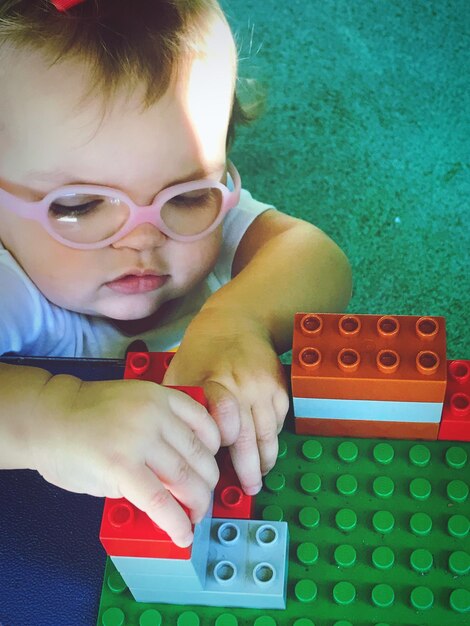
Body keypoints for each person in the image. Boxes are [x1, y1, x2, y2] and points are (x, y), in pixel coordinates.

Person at [0, 0, 351, 547]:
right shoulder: (13, 283)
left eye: (186, 194)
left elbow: (315, 256)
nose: (143, 237)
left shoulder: (209, 218)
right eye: (81, 206)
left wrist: (240, 320)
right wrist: (51, 414)